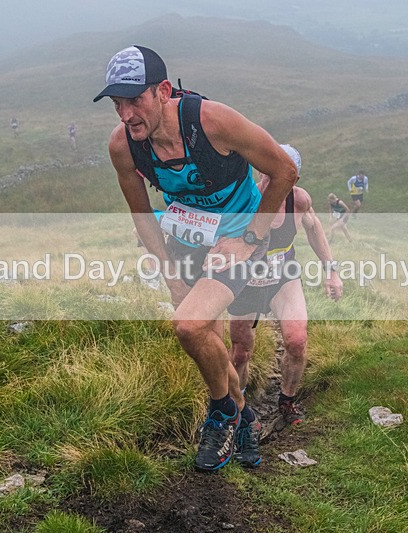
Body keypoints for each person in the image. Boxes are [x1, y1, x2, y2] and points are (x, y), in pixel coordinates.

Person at [95, 45, 298, 471]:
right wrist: (169, 275)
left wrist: (250, 238)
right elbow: (140, 214)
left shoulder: (212, 122)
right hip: (187, 240)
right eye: (117, 103)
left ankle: (221, 412)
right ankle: (244, 419)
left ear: (164, 91)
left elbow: (284, 171)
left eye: (136, 100)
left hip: (235, 241)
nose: (126, 114)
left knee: (188, 326)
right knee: (209, 339)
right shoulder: (123, 147)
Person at [228, 145, 343, 439]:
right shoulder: (243, 200)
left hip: (283, 277)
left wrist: (331, 271)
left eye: (283, 173)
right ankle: (237, 407)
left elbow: (314, 228)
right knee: (241, 351)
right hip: (246, 281)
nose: (271, 178)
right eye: (268, 169)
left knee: (296, 340)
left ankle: (287, 400)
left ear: (294, 178)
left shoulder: (299, 200)